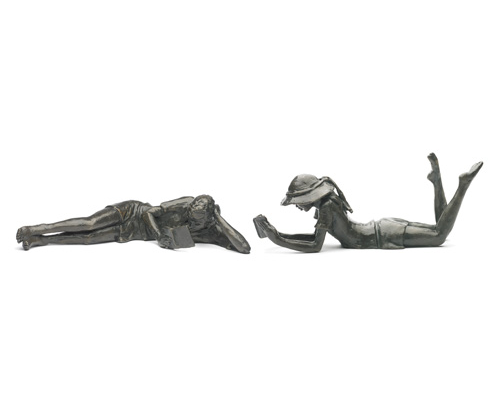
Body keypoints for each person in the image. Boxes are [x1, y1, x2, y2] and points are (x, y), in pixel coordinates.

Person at [254, 153, 483, 252]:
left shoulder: (326, 208)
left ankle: (462, 186)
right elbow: (314, 238)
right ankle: (437, 181)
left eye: (297, 201)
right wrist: (278, 233)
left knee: (439, 235)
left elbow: (315, 246)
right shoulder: (327, 204)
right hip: (382, 227)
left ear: (309, 197)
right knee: (436, 230)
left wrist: (278, 239)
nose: (296, 206)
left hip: (381, 235)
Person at [17, 195, 251, 254]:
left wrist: (220, 218)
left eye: (200, 210)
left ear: (208, 215)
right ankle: (35, 229)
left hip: (135, 233)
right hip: (134, 211)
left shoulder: (211, 230)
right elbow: (150, 213)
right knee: (90, 223)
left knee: (89, 239)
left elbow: (244, 247)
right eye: (194, 206)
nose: (193, 209)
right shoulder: (185, 204)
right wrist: (159, 235)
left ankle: (39, 241)